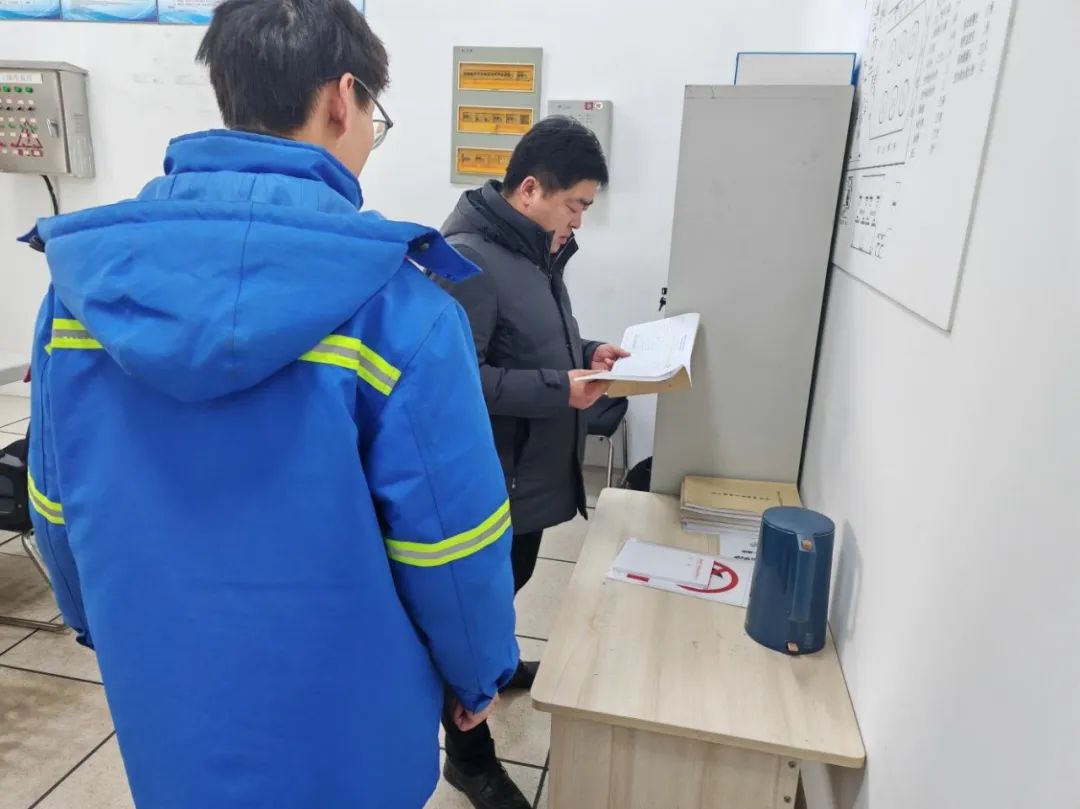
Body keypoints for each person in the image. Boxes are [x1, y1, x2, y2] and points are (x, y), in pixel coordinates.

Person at [21, 0, 518, 806]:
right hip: (347, 726)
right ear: (342, 98)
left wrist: (92, 620)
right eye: (374, 116)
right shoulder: (403, 312)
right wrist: (478, 670)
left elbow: (54, 504)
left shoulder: (80, 295)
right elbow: (453, 543)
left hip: (171, 707)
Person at [435, 117, 624, 808]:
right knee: (470, 620)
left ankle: (500, 663)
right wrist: (558, 389)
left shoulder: (535, 250)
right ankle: (470, 760)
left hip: (527, 478)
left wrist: (588, 353)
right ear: (531, 189)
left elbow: (532, 343)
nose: (579, 220)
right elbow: (457, 382)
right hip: (492, 485)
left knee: (505, 592)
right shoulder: (469, 260)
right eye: (575, 204)